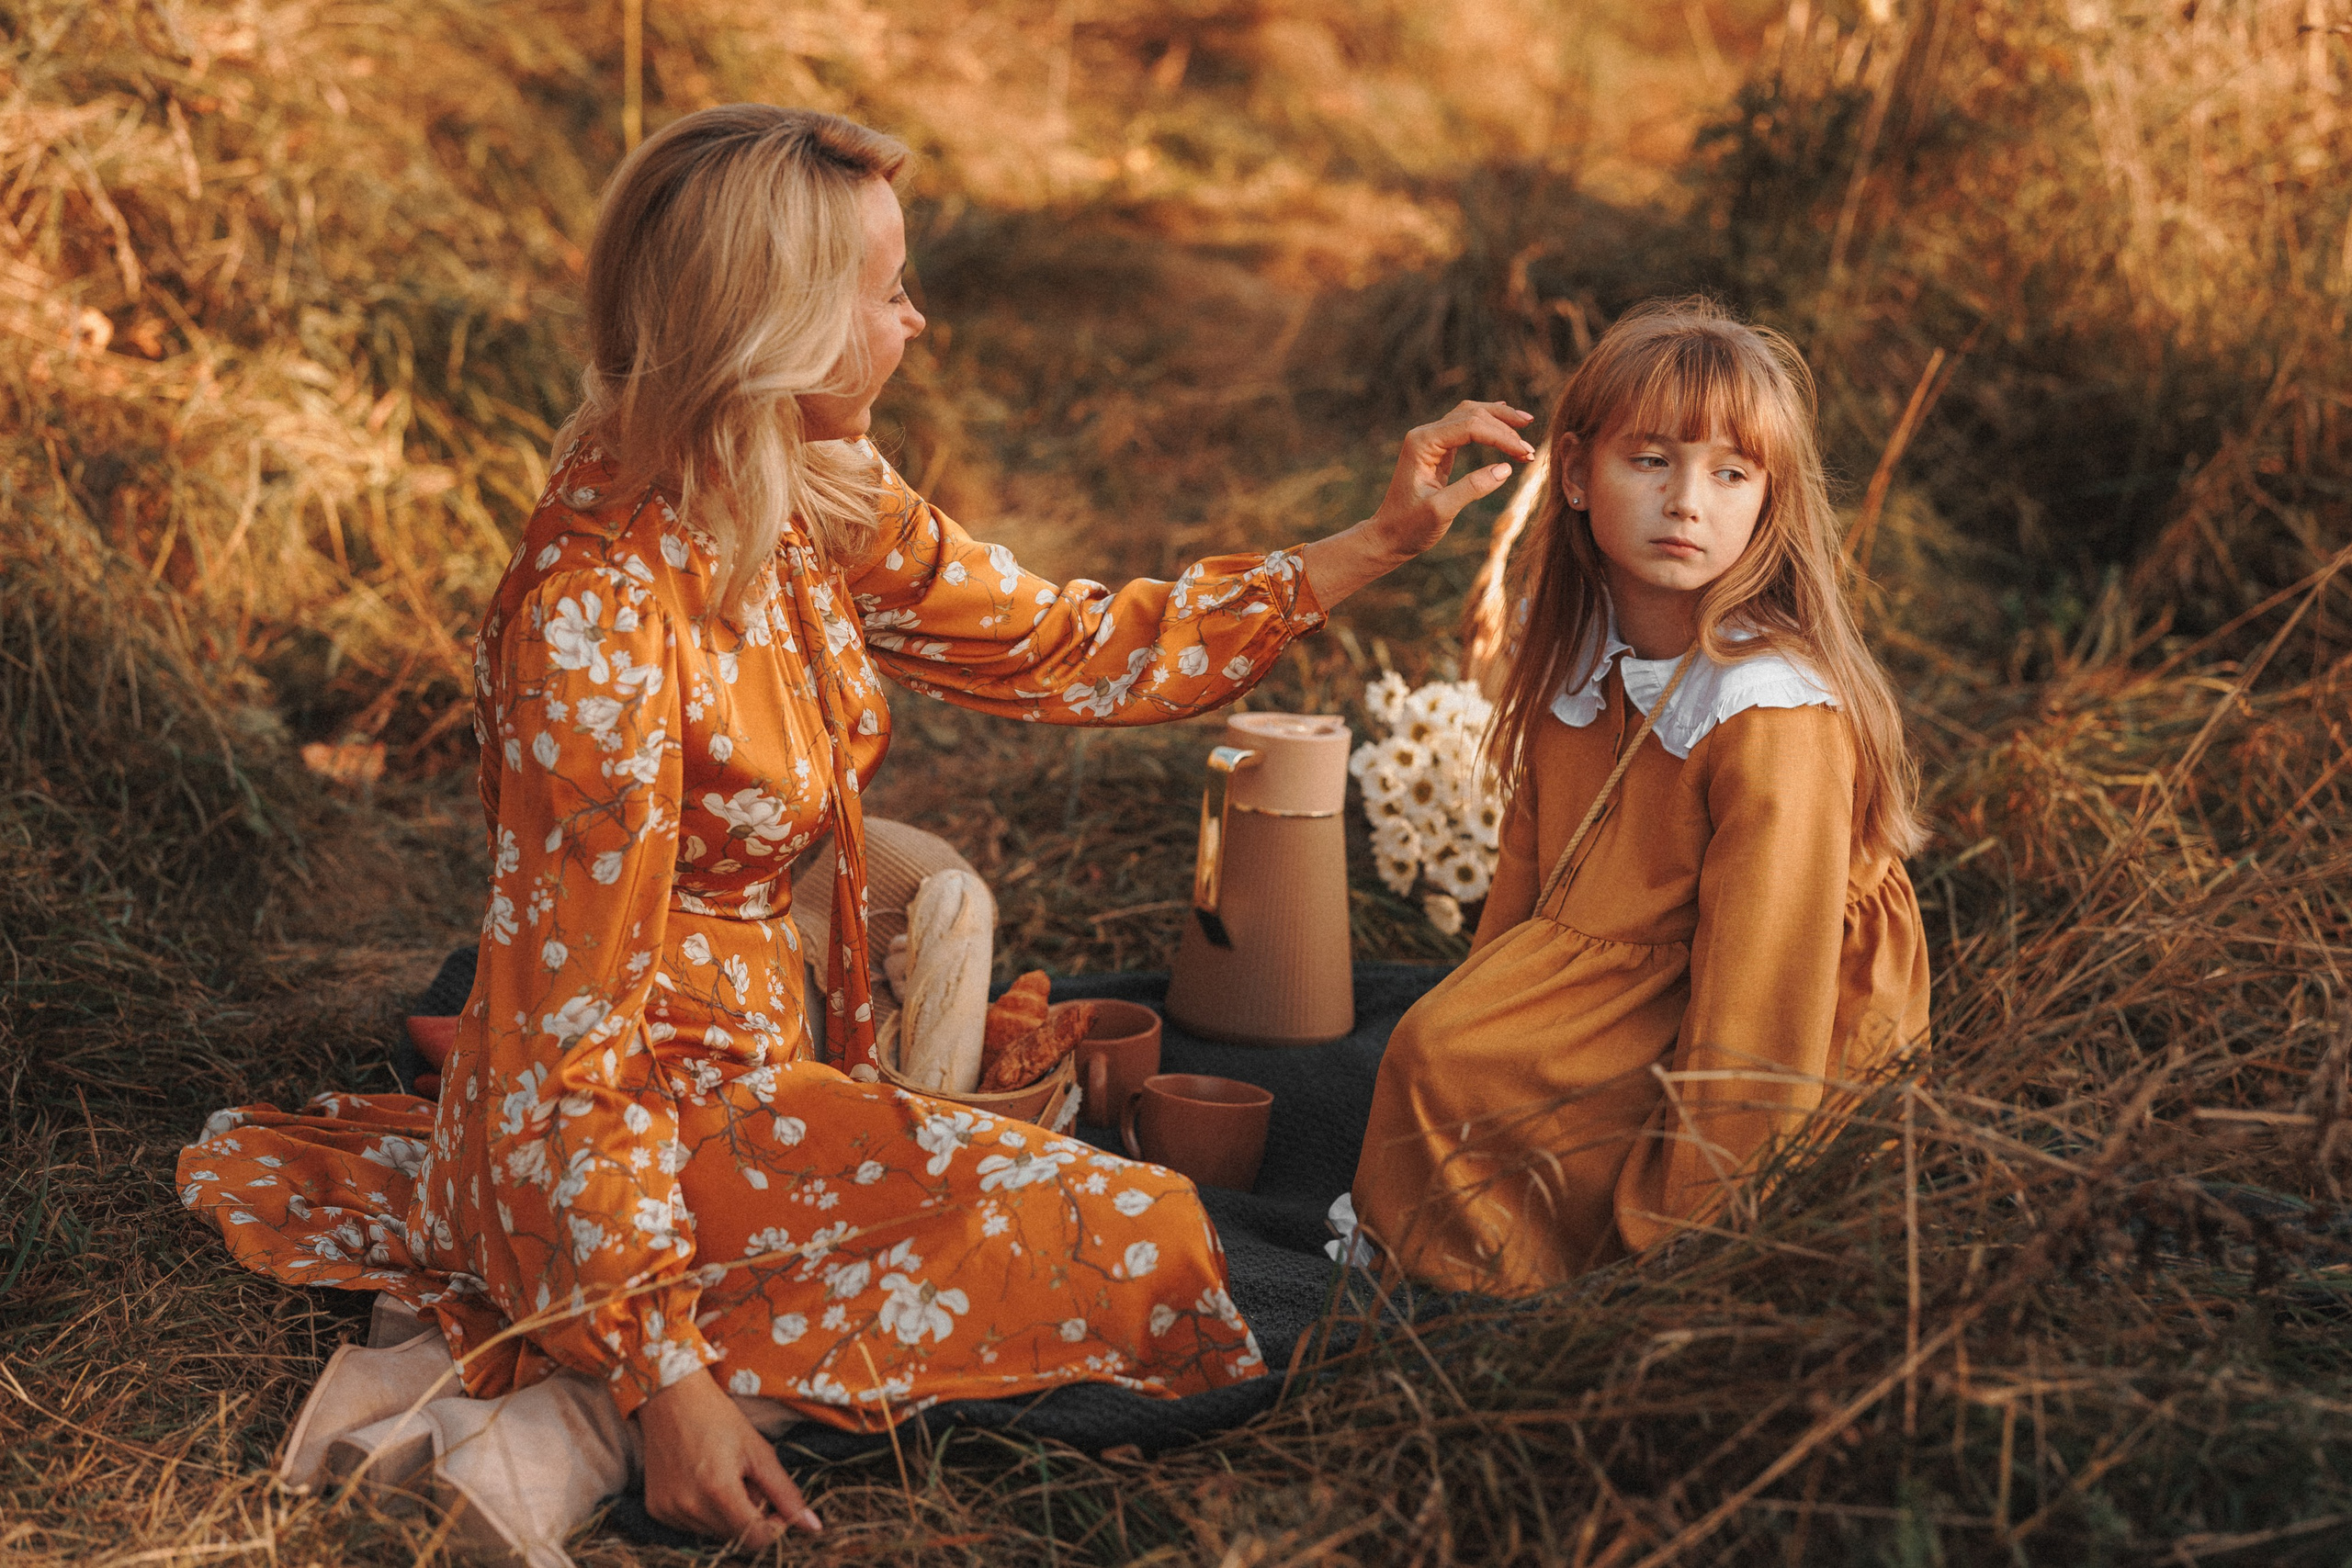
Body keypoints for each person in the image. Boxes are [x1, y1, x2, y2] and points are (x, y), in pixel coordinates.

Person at [175, 104, 1535, 1548]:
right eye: (885, 291)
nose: (919, 320)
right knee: (1134, 1245)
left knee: (1128, 1226)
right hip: (635, 1114)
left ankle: (684, 1357)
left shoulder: (805, 487)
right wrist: (661, 1375)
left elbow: (1068, 645)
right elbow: (573, 1038)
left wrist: (1374, 540)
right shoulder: (600, 613)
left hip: (778, 1067)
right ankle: (603, 1393)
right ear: (772, 319)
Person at [1347, 299, 1932, 1295]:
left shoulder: (1770, 715)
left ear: (1768, 501)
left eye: (1730, 473)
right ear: (1575, 475)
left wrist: (1693, 1234)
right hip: (1632, 966)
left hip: (1758, 1009)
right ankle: (1440, 1257)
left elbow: (1762, 1006)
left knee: (1451, 1063)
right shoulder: (1582, 660)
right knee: (1438, 1047)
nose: (1686, 502)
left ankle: (1549, 1273)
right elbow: (1528, 887)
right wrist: (1484, 1008)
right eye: (1651, 460)